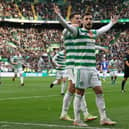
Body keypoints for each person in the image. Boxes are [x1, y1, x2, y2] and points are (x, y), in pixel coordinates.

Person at [54, 4, 118, 126]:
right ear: (83, 21)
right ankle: (77, 119)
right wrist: (59, 16)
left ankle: (103, 118)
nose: (88, 21)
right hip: (81, 67)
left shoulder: (93, 33)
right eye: (86, 19)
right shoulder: (76, 31)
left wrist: (111, 23)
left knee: (99, 91)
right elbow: (66, 26)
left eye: (90, 19)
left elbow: (102, 30)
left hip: (92, 68)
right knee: (79, 93)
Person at [53, 5, 97, 125]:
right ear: (71, 20)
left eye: (79, 18)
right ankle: (85, 113)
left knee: (72, 90)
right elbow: (66, 28)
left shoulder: (78, 31)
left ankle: (64, 113)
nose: (79, 20)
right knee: (78, 89)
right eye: (77, 18)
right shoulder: (67, 30)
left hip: (74, 64)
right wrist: (59, 17)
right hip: (72, 64)